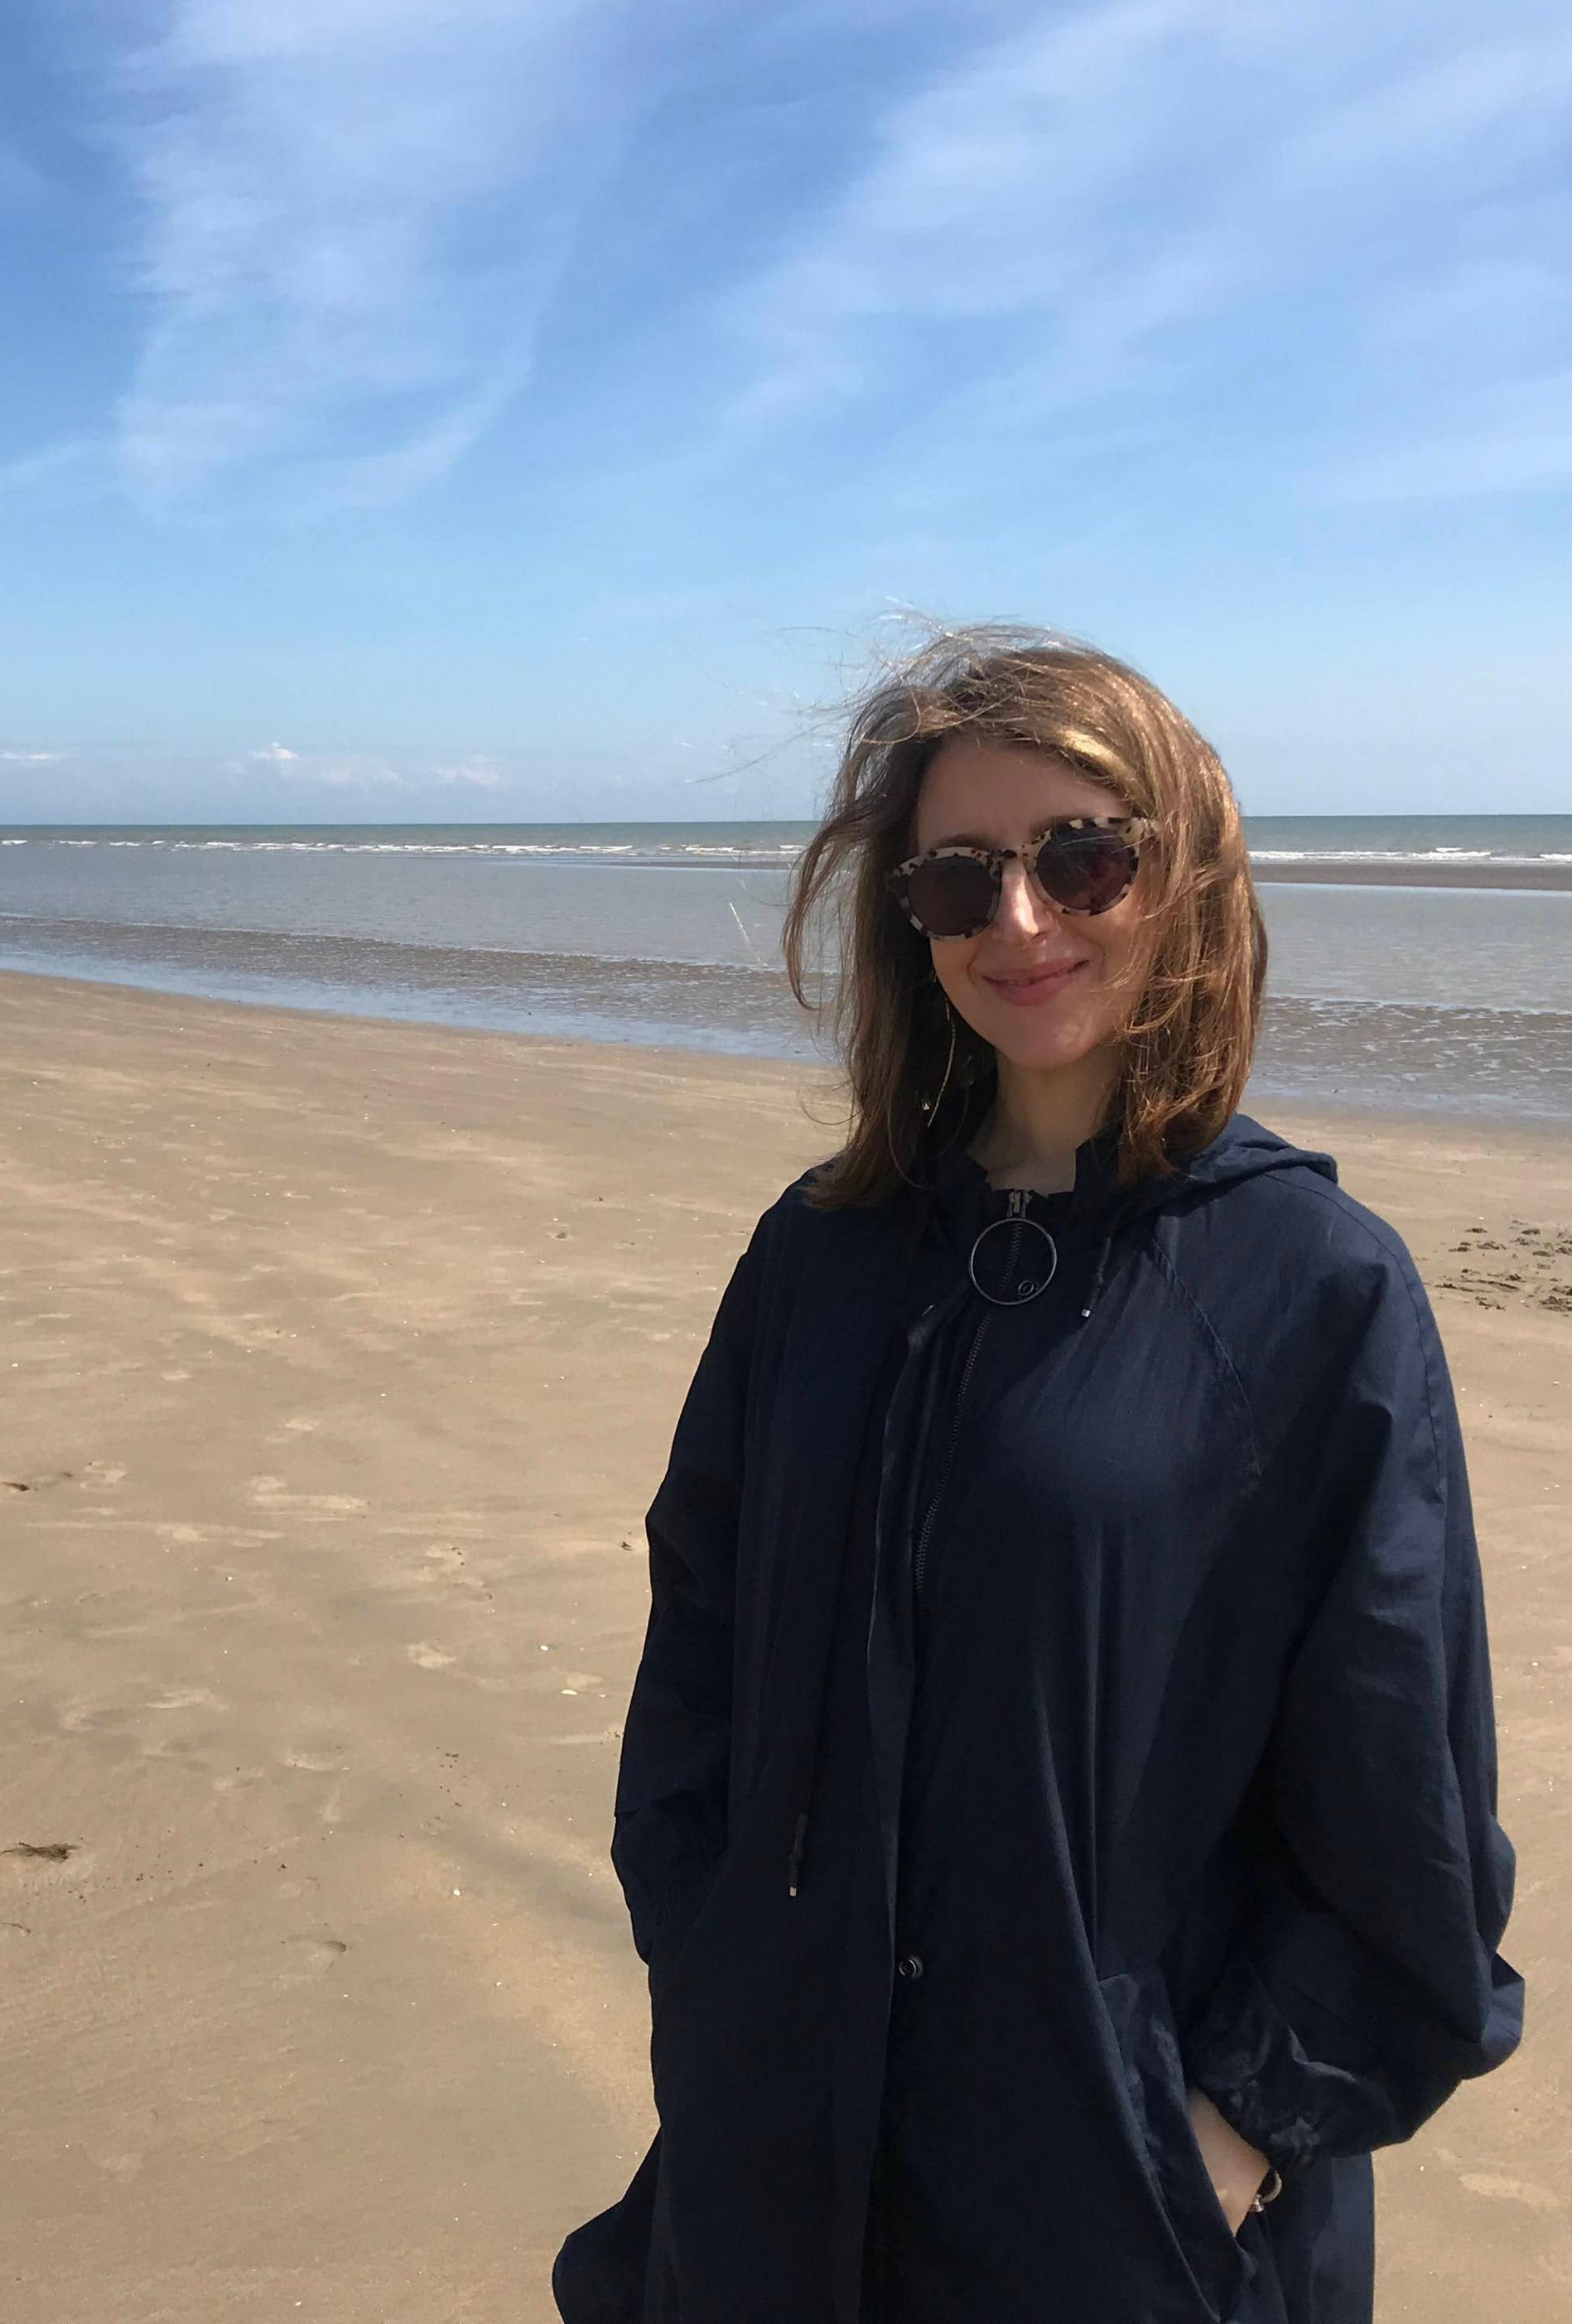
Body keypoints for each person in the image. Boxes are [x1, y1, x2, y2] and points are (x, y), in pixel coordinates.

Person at [555, 628, 1518, 2324]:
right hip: (775, 2157)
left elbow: (1405, 1807)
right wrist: (709, 1953)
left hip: (1118, 2210)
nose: (1021, 922)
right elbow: (700, 1625)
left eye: (1084, 859)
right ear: (902, 916)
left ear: (1185, 877)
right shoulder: (820, 1256)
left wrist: (1226, 2138)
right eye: (958, 878)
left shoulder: (1312, 1286)